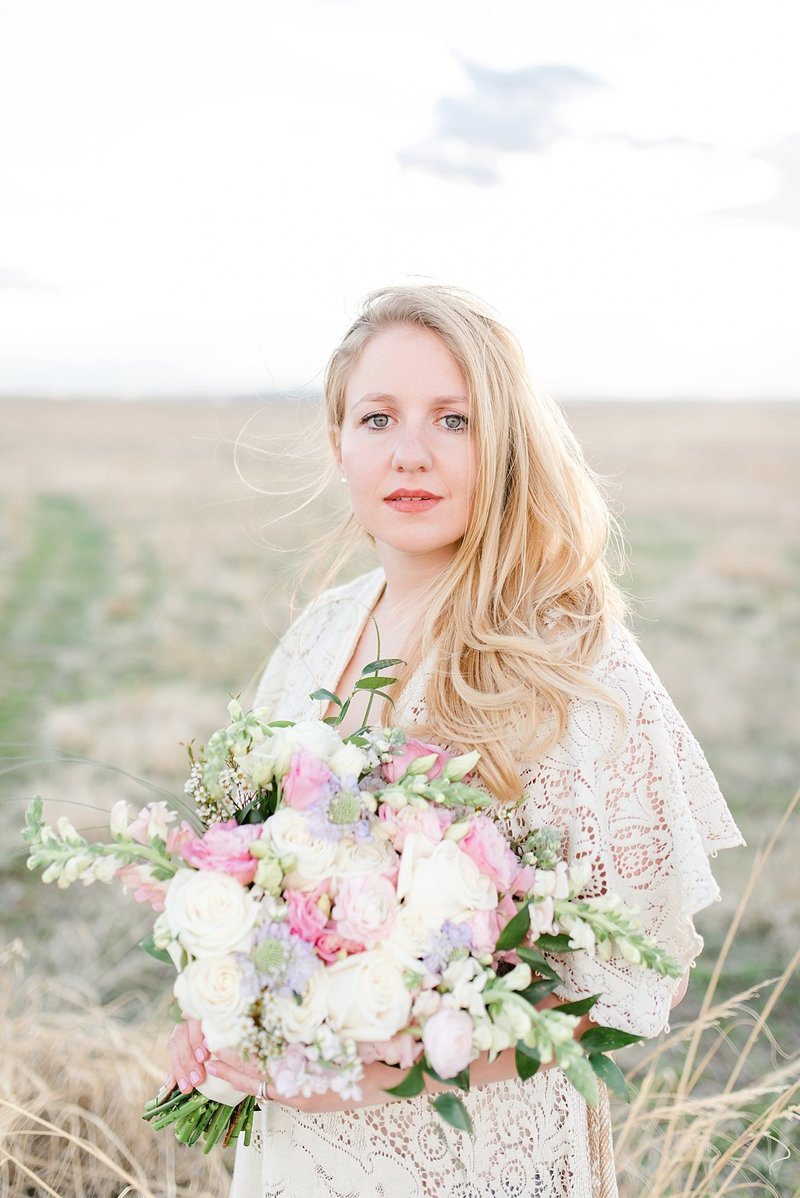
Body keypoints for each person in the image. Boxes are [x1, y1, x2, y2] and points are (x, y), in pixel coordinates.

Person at [167, 284, 744, 1197]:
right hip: (299, 1152)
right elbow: (247, 867)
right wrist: (218, 1007)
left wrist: (378, 1077)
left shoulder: (573, 665)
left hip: (474, 1155)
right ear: (338, 445)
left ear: (506, 442)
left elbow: (632, 986)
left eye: (453, 420)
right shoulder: (322, 632)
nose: (410, 453)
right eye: (377, 418)